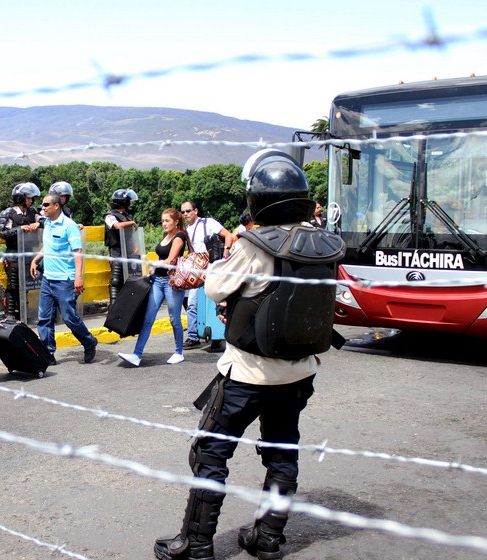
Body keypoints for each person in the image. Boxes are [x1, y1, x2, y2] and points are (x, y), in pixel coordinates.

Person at [153, 150, 344, 560]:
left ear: (258, 200)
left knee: (210, 452)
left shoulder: (257, 244)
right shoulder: (325, 243)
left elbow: (215, 287)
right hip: (298, 372)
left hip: (249, 372)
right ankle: (268, 537)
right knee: (282, 453)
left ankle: (197, 543)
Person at [29, 193, 97, 365]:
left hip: (65, 281)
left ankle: (89, 341)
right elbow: (48, 244)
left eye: (46, 205)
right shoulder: (48, 224)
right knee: (44, 318)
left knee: (69, 318)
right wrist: (36, 259)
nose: (42, 208)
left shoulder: (69, 226)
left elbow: (78, 253)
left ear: (56, 206)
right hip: (48, 279)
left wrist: (78, 278)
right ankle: (48, 353)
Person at [117, 208, 189, 367]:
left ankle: (178, 352)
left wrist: (154, 265)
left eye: (167, 221)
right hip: (158, 281)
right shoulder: (166, 236)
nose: (164, 224)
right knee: (148, 318)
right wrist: (154, 269)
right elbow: (162, 256)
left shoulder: (179, 236)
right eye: (163, 221)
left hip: (172, 282)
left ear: (176, 222)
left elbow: (171, 260)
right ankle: (137, 355)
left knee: (174, 319)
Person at [181, 201, 234, 350]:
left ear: (196, 211)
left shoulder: (208, 223)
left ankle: (217, 337)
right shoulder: (185, 230)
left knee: (215, 302)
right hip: (196, 271)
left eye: (188, 210)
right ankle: (193, 336)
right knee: (192, 303)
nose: (185, 214)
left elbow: (228, 235)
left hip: (212, 268)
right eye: (183, 212)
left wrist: (225, 254)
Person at [0, 182, 43, 319]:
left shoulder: (33, 212)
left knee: (27, 285)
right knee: (13, 285)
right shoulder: (8, 213)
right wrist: (20, 229)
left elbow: (47, 221)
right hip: (13, 254)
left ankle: (24, 314)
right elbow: (2, 232)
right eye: (29, 198)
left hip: (29, 254)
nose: (31, 201)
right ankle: (10, 314)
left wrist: (38, 224)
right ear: (21, 198)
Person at [104, 188, 139, 306]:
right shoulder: (109, 215)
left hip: (128, 251)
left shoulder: (127, 216)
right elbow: (117, 226)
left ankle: (127, 305)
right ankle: (114, 306)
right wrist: (132, 223)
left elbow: (129, 234)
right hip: (116, 251)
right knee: (116, 280)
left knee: (129, 278)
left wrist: (134, 244)